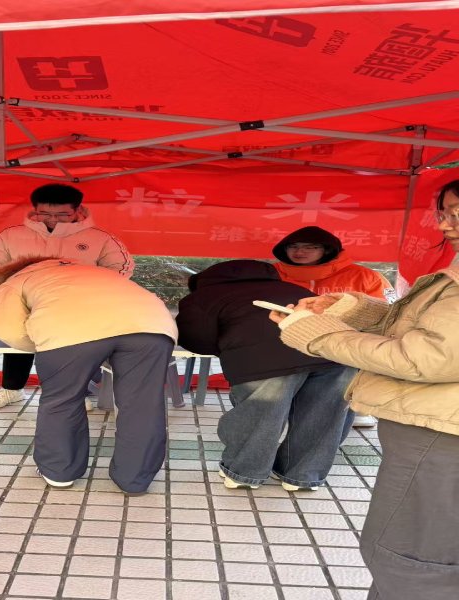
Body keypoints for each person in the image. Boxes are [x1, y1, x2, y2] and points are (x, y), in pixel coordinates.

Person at [270, 179, 459, 600]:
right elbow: (406, 321)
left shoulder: (363, 273)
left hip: (437, 431)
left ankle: (302, 473)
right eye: (444, 213)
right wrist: (345, 308)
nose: (445, 225)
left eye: (457, 213)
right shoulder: (275, 271)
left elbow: (424, 357)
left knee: (410, 557)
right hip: (416, 407)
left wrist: (317, 334)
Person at [0, 257, 176, 494]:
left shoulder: (15, 281)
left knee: (62, 400)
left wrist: (42, 344)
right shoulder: (98, 272)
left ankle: (58, 472)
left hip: (68, 328)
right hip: (151, 326)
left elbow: (8, 330)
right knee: (143, 404)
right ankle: (135, 480)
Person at [176, 260, 353, 491]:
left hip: (264, 360)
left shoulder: (204, 296)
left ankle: (243, 473)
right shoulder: (295, 289)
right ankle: (302, 477)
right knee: (324, 415)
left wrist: (227, 347)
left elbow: (194, 339)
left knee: (260, 414)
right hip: (335, 354)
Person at [0, 183, 133, 410]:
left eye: (62, 214)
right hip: (25, 301)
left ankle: (77, 393)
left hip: (77, 304)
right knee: (18, 340)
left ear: (77, 210)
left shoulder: (99, 238)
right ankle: (11, 390)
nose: (53, 220)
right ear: (34, 209)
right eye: (45, 214)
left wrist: (93, 288)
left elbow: (122, 267)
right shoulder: (11, 235)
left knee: (72, 348)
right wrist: (12, 285)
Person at [272, 226, 395, 429]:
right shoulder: (272, 274)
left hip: (341, 354)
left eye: (309, 247)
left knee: (328, 416)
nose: (299, 252)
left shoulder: (365, 277)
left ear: (327, 249)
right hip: (282, 349)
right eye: (293, 246)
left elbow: (388, 313)